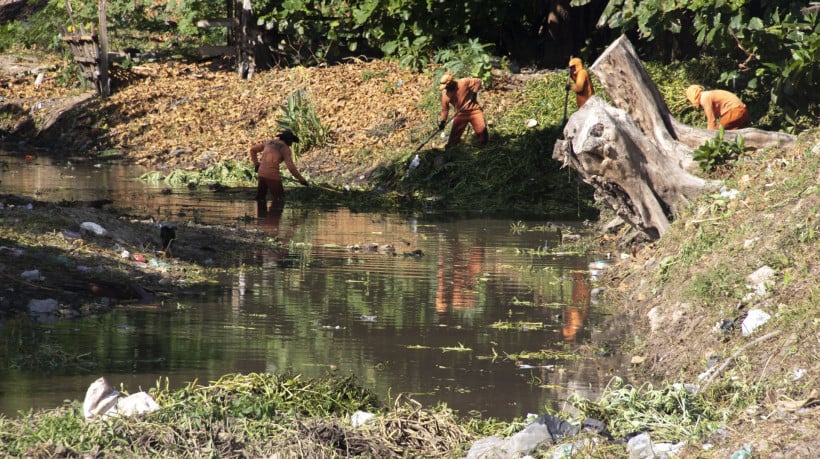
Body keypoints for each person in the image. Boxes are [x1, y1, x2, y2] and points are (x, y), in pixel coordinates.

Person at [249, 129, 308, 212]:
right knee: (279, 200)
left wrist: (256, 165)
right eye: (291, 142)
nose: (291, 144)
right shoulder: (285, 148)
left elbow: (252, 150)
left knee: (260, 198)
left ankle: (261, 222)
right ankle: (273, 221)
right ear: (289, 140)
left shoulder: (269, 142)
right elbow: (291, 167)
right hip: (272, 175)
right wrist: (301, 179)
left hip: (261, 173)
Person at [438, 74, 489, 149]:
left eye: (447, 86)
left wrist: (474, 93)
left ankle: (485, 147)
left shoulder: (463, 82)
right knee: (454, 137)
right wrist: (443, 121)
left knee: (482, 131)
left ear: (451, 82)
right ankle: (450, 150)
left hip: (474, 110)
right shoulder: (445, 95)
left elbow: (478, 81)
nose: (447, 89)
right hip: (461, 114)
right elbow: (445, 110)